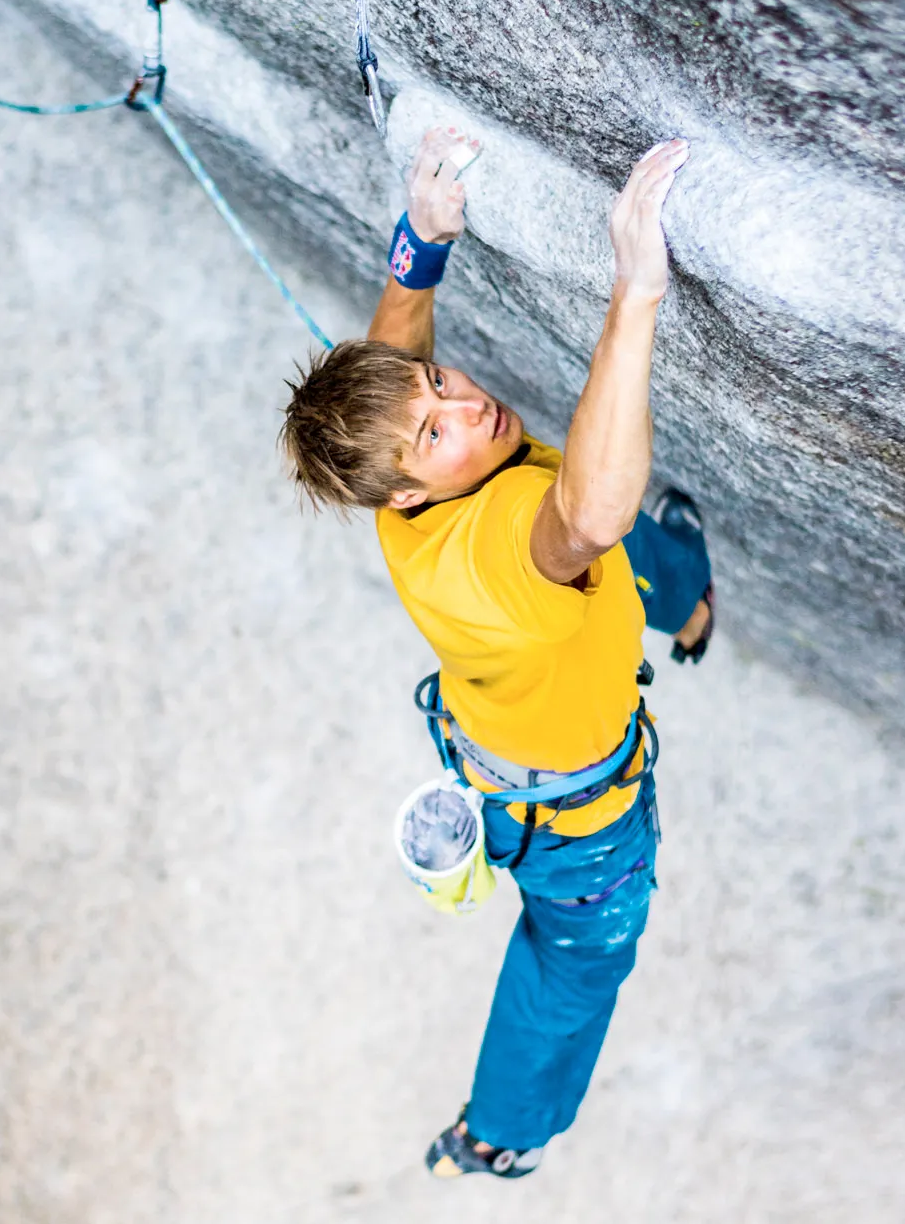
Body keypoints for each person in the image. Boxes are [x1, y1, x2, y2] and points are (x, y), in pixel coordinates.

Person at [279, 126, 712, 1179]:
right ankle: (503, 1132)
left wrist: (418, 245)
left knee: (632, 563)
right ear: (416, 487)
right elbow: (591, 514)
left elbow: (388, 369)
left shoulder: (402, 505)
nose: (468, 404)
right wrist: (636, 292)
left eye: (441, 384)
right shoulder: (501, 557)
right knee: (575, 965)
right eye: (437, 432)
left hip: (506, 736)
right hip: (582, 820)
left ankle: (687, 602)